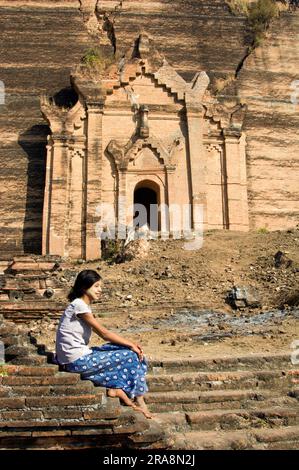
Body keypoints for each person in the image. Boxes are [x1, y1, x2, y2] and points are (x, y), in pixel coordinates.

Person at [55, 269, 153, 419]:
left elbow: (104, 336)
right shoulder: (79, 305)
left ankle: (118, 389)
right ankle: (138, 399)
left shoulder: (81, 306)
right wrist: (132, 344)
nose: (100, 290)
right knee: (131, 354)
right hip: (76, 361)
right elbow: (104, 334)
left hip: (76, 357)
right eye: (96, 286)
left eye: (100, 286)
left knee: (120, 348)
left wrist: (129, 344)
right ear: (84, 287)